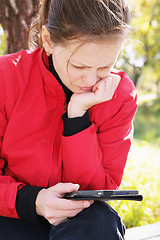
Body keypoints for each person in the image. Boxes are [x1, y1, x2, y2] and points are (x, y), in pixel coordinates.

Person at [0, 0, 138, 239]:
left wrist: (78, 119)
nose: (90, 80)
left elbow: (99, 187)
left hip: (79, 223)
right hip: (11, 216)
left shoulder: (121, 95)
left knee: (100, 222)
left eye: (105, 66)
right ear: (48, 41)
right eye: (79, 65)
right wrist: (33, 201)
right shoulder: (6, 78)